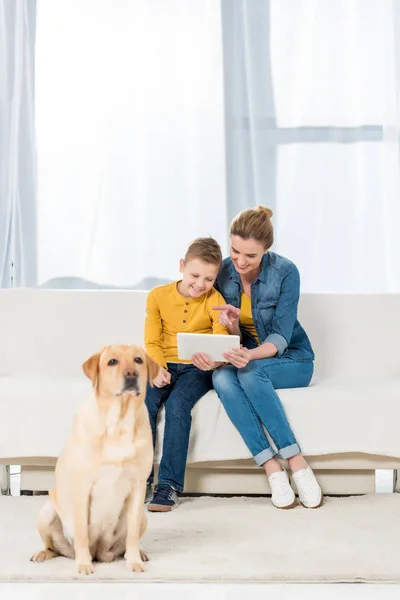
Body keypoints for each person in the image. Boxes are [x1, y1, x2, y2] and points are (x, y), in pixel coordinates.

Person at [192, 206, 322, 509]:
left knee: (251, 373)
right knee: (221, 377)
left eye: (250, 256)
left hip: (292, 360)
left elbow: (280, 338)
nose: (239, 261)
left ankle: (296, 460)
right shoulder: (223, 272)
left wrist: (249, 355)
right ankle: (271, 467)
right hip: (246, 356)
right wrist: (231, 329)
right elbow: (233, 332)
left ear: (266, 250)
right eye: (235, 251)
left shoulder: (286, 272)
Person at [144, 237, 228, 511]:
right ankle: (139, 479)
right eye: (194, 275)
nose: (200, 284)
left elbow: (221, 340)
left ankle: (168, 485)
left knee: (179, 404)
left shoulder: (215, 299)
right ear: (181, 266)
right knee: (145, 402)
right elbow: (153, 341)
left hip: (197, 369)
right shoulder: (157, 296)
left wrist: (213, 362)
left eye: (209, 278)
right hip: (162, 364)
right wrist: (156, 368)